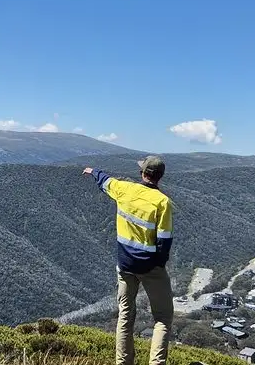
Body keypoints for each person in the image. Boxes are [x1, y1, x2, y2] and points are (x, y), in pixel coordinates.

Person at [83, 156, 175, 365]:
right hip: (150, 267)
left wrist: (93, 171)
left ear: (142, 173)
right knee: (162, 318)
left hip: (125, 265)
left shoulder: (124, 189)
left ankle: (123, 362)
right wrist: (159, 264)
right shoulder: (162, 202)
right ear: (159, 177)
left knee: (125, 315)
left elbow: (105, 181)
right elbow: (164, 241)